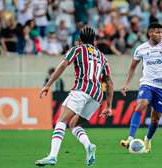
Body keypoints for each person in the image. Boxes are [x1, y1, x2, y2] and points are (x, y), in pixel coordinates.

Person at [35, 27, 114, 166]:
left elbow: (62, 65)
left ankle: (53, 156)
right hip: (97, 95)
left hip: (81, 89)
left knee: (61, 121)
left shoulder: (77, 49)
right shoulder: (103, 57)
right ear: (94, 41)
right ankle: (89, 145)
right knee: (73, 124)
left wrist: (48, 84)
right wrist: (109, 106)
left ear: (80, 40)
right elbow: (109, 82)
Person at [120, 22, 162, 153]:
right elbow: (132, 67)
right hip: (147, 83)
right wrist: (126, 84)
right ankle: (130, 138)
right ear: (150, 33)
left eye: (161, 32)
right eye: (157, 32)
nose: (160, 34)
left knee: (155, 119)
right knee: (141, 105)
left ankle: (148, 139)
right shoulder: (141, 48)